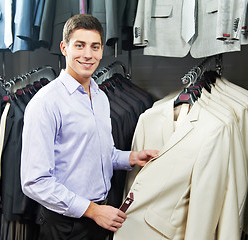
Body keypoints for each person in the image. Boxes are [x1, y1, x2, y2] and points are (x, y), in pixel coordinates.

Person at [20, 14, 158, 240]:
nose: (88, 54)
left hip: (99, 215)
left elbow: (98, 153)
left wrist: (131, 157)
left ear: (102, 50)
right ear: (64, 48)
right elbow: (35, 182)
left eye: (95, 47)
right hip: (65, 224)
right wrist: (93, 211)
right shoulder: (46, 103)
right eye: (80, 45)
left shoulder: (101, 97)